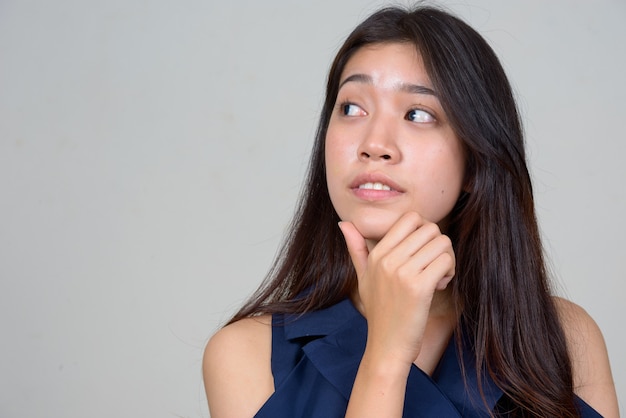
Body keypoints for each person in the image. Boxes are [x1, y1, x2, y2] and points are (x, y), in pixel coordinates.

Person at [203, 4, 619, 417]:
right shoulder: (246, 356)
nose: (374, 143)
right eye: (351, 108)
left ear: (475, 161)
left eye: (417, 114)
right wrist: (385, 355)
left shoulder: (561, 337)